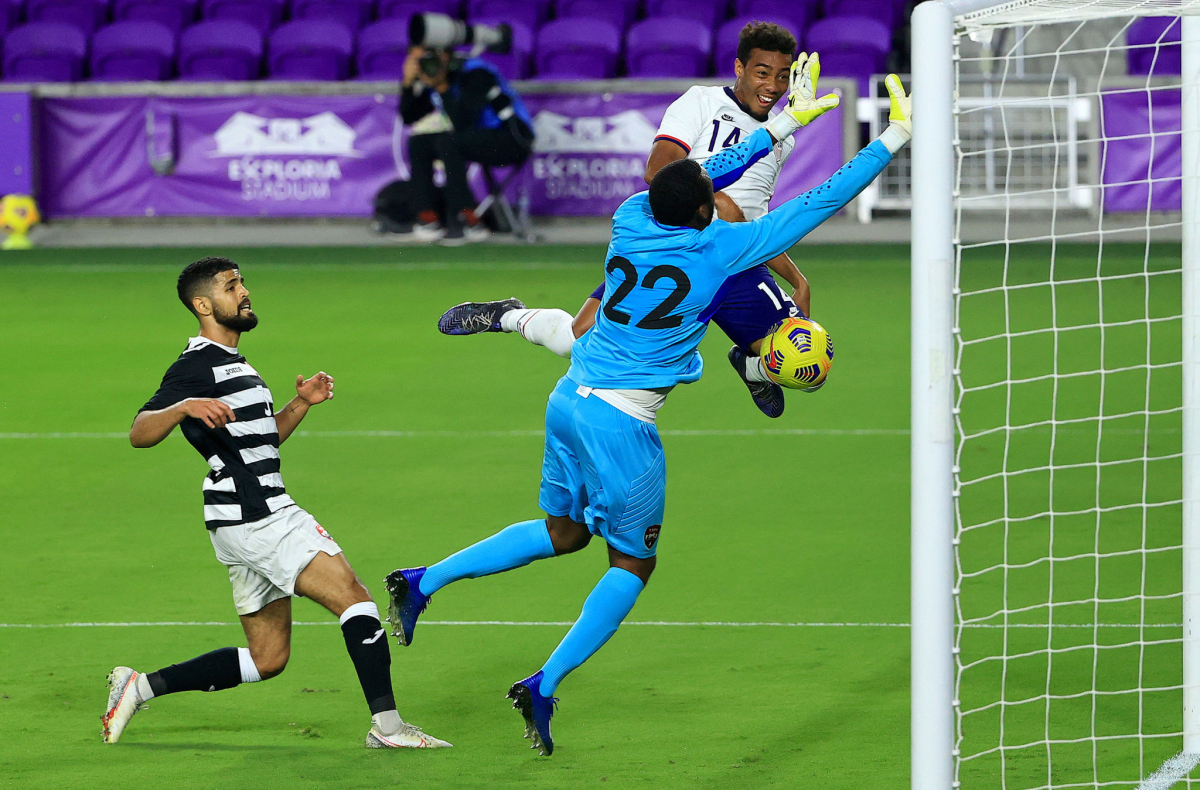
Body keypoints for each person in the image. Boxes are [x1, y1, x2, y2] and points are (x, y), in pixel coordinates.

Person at [384, 62, 913, 756]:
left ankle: (422, 582)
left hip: (569, 399)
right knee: (632, 567)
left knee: (564, 532)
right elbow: (819, 200)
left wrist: (780, 124)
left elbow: (703, 171)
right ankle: (543, 685)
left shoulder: (630, 216)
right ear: (705, 208)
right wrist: (894, 137)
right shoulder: (722, 249)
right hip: (623, 425)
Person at [102, 257, 451, 750]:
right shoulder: (197, 365)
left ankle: (137, 687)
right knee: (355, 599)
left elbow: (261, 444)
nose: (244, 291)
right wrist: (182, 406)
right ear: (203, 305)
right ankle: (389, 728)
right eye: (231, 286)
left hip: (238, 519)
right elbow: (140, 433)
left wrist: (300, 404)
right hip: (259, 513)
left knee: (267, 660)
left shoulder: (235, 364)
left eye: (242, 282)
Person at [437, 22, 816, 417]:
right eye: (762, 72)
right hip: (669, 250)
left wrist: (797, 278)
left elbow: (757, 223)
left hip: (734, 261)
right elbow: (658, 172)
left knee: (806, 361)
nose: (773, 85)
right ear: (739, 68)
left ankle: (750, 366)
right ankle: (507, 315)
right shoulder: (701, 102)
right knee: (576, 339)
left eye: (782, 76)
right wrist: (714, 201)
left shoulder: (782, 139)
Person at [399, 44, 535, 245]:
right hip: (479, 137)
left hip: (512, 138)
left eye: (429, 59)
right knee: (419, 143)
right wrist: (408, 83)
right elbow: (409, 116)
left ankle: (466, 220)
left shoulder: (476, 72)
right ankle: (427, 217)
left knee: (449, 142)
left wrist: (442, 87)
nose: (426, 65)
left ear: (446, 55)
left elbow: (463, 124)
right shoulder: (438, 76)